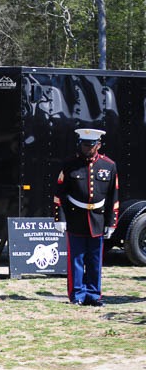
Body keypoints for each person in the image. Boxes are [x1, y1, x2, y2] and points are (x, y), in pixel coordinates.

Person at [53, 128, 119, 307]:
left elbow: (113, 196)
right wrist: (60, 218)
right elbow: (60, 193)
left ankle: (93, 295)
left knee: (95, 260)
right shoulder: (69, 164)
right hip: (76, 218)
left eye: (90, 145)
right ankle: (77, 295)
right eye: (84, 145)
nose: (87, 148)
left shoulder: (109, 165)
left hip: (97, 219)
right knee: (76, 259)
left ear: (99, 145)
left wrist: (111, 222)